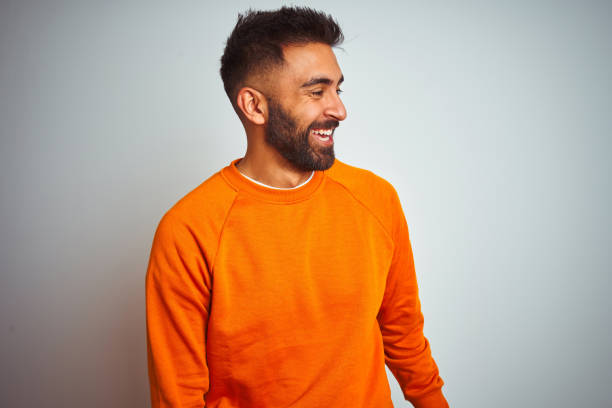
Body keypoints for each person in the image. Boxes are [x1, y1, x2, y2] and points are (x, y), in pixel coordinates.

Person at [146, 6, 449, 408]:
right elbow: (178, 395)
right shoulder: (189, 229)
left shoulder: (376, 199)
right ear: (254, 106)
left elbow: (404, 335)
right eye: (316, 91)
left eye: (337, 89)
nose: (339, 109)